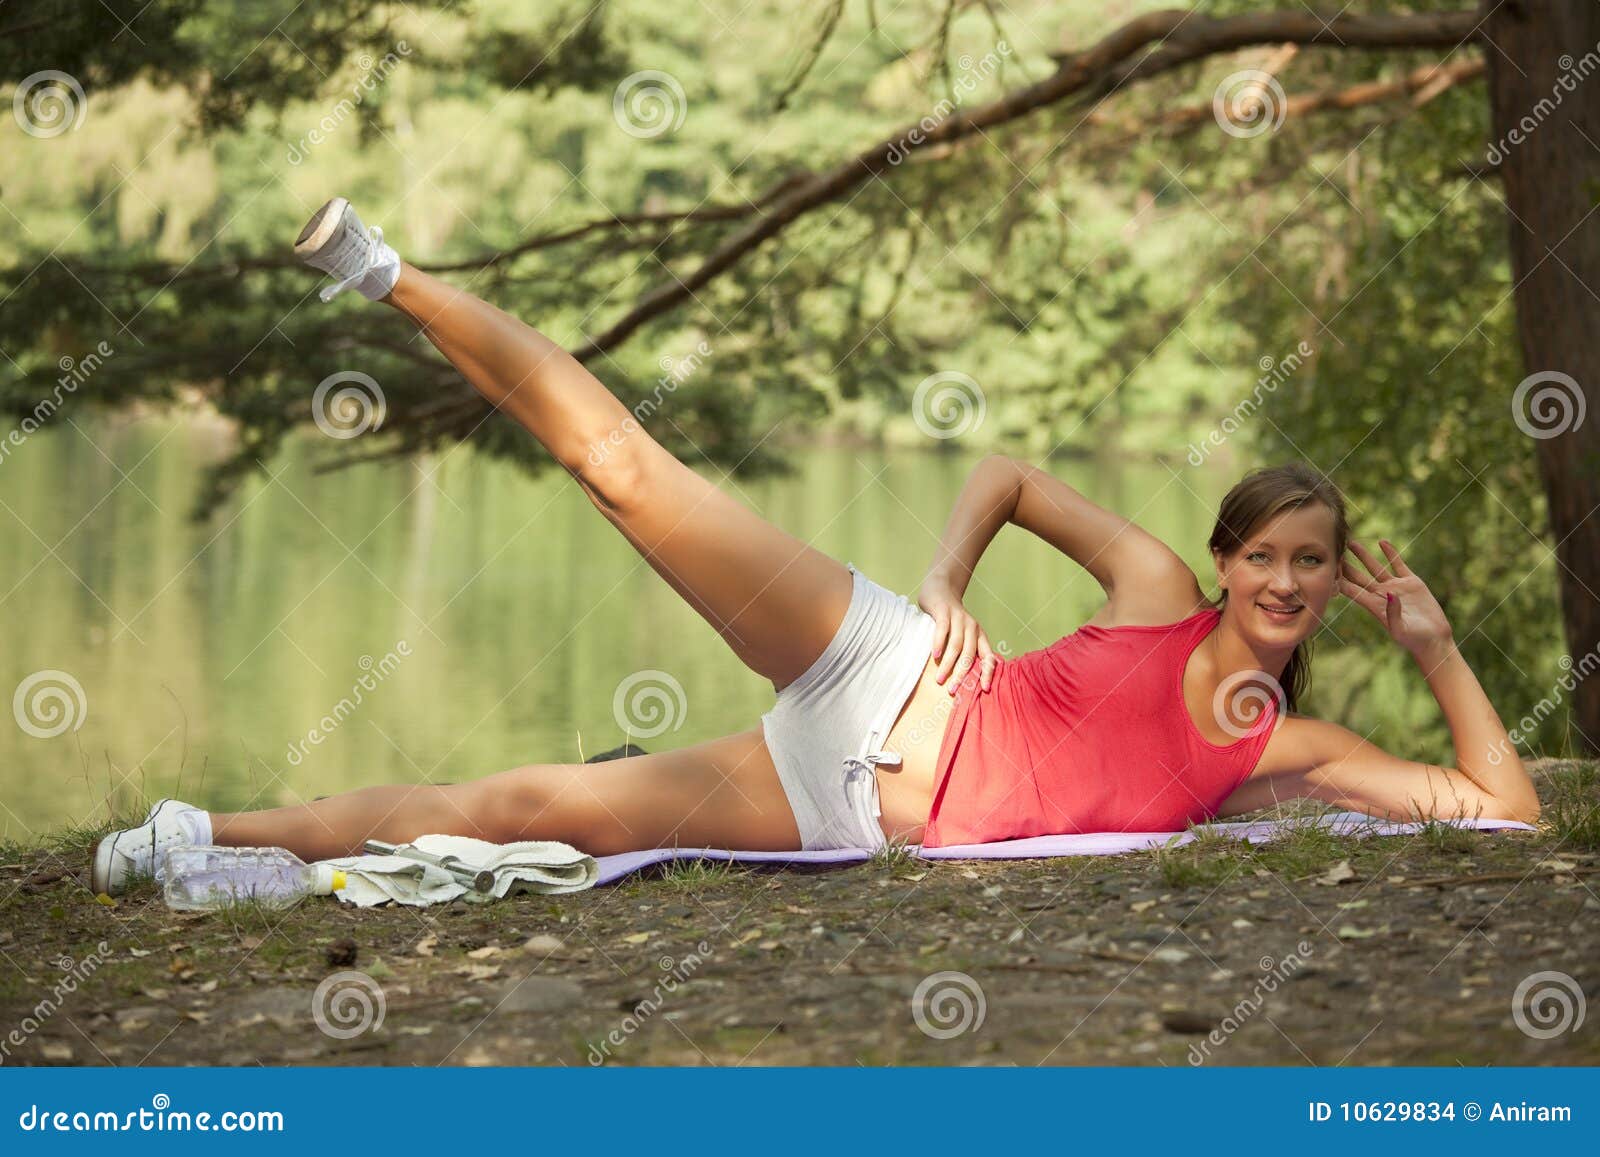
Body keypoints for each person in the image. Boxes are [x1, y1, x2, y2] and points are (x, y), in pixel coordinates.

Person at [90, 199, 1542, 894]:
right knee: (622, 471)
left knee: (527, 800)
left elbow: (1504, 809)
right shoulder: (1157, 588)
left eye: (1313, 562)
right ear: (1227, 560)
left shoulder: (1282, 744)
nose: (1287, 581)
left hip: (833, 799)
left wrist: (1438, 642)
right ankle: (388, 273)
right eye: (1269, 554)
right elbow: (1009, 467)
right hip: (886, 661)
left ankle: (210, 834)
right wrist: (951, 577)